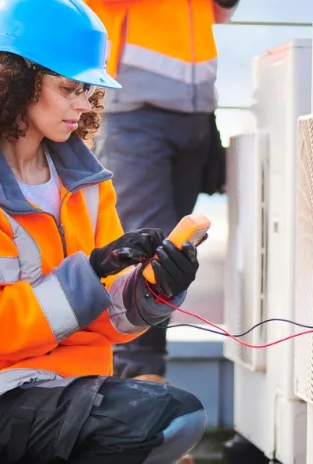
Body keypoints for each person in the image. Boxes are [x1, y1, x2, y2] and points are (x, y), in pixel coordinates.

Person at [0, 0, 221, 464]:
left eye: (89, 89)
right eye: (68, 87)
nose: (84, 102)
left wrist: (153, 289)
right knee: (173, 413)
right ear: (13, 81)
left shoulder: (86, 183)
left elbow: (106, 319)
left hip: (71, 405)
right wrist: (90, 270)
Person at [86, 0, 238, 419]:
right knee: (149, 246)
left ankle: (140, 396)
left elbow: (217, 12)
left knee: (178, 248)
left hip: (196, 111)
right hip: (135, 112)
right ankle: (141, 395)